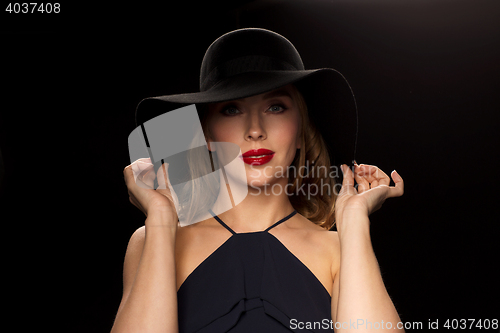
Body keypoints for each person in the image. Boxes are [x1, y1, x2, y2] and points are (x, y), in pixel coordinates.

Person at [112, 28, 405, 332]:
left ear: (301, 129)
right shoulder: (153, 240)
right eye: (231, 109)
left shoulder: (340, 250)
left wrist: (354, 220)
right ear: (207, 136)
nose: (255, 130)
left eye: (275, 107)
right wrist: (160, 218)